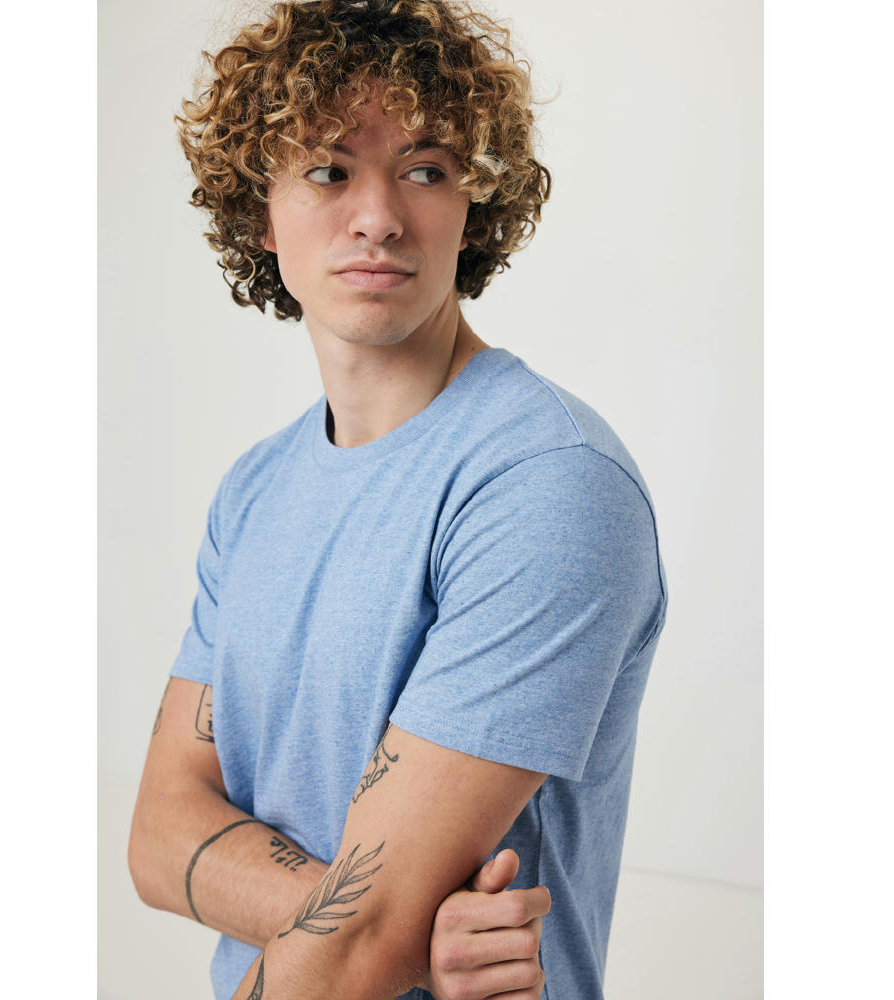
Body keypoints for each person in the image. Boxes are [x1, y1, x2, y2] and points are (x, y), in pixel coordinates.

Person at [128, 2, 667, 998]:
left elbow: (364, 936)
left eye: (425, 169)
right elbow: (160, 835)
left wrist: (379, 927)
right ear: (261, 212)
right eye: (329, 170)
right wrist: (395, 928)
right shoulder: (255, 490)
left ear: (474, 206)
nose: (377, 215)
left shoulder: (548, 481)